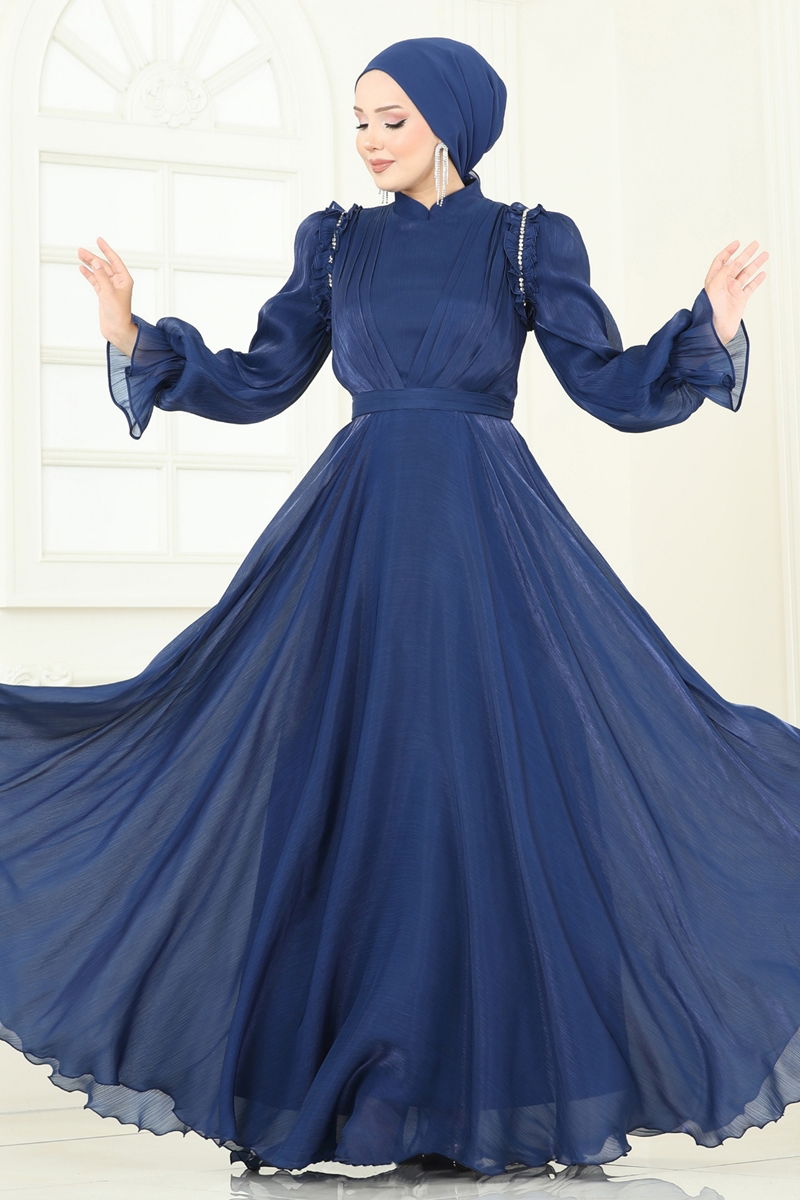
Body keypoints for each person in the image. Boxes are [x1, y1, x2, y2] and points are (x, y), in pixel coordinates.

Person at [1, 34, 798, 1182]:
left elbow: (609, 385)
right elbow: (260, 379)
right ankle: (354, 1099)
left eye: (391, 120)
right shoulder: (334, 242)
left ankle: (492, 1097)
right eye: (359, 121)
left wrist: (707, 323)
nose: (369, 141)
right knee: (355, 787)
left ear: (450, 123)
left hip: (485, 542)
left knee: (480, 790)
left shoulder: (526, 240)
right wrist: (132, 330)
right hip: (358, 537)